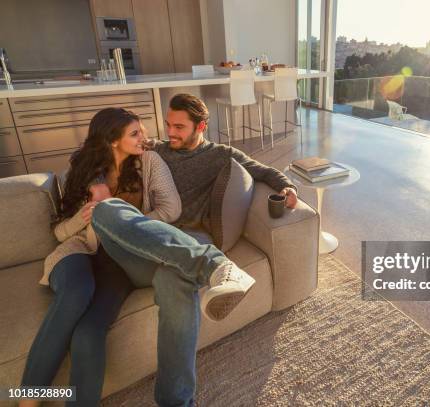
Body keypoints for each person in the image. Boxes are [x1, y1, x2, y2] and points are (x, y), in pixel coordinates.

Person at [90, 93, 298, 406]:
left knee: (174, 282)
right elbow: (110, 151)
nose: (170, 133)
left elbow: (262, 170)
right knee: (104, 211)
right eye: (168, 125)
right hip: (150, 238)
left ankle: (176, 402)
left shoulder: (219, 154)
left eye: (179, 127)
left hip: (193, 238)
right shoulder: (155, 149)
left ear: (200, 126)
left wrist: (287, 186)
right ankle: (215, 266)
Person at [20, 107, 182, 407]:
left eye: (142, 131)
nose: (144, 138)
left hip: (119, 257)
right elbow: (60, 233)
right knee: (76, 293)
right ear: (112, 140)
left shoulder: (149, 161)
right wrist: (85, 215)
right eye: (135, 133)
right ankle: (28, 400)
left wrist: (125, 223)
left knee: (88, 331)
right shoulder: (81, 170)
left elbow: (171, 209)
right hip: (78, 250)